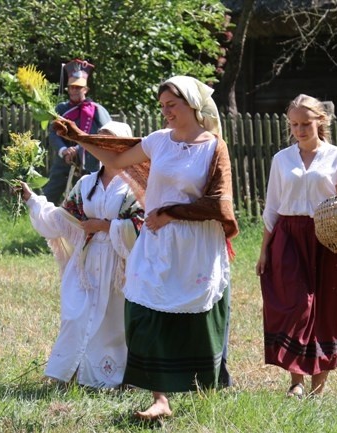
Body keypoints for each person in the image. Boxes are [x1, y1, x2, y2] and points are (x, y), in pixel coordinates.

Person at [52, 76, 238, 419]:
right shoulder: (158, 142)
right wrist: (77, 138)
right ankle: (160, 398)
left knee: (192, 314)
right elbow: (118, 160)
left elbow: (218, 202)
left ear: (193, 105)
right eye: (162, 106)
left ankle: (199, 383)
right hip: (156, 241)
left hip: (195, 243)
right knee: (143, 308)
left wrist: (173, 213)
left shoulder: (213, 147)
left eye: (173, 105)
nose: (166, 112)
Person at [255, 94, 337, 398]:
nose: (299, 129)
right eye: (294, 124)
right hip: (289, 237)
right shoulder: (281, 159)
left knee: (325, 310)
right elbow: (272, 207)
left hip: (328, 238)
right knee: (296, 306)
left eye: (305, 123)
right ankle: (296, 382)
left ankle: (317, 388)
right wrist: (264, 249)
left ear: (320, 121)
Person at [19, 121, 144, 389]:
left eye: (110, 142)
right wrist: (32, 199)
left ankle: (111, 378)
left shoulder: (136, 185)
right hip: (87, 264)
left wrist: (105, 226)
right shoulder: (87, 183)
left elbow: (143, 226)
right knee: (77, 315)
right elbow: (63, 220)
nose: (103, 148)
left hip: (119, 265)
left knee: (113, 322)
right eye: (99, 142)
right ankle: (71, 373)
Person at [42, 59, 112, 204]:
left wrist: (78, 149)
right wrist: (64, 151)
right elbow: (53, 134)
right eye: (71, 87)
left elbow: (104, 135)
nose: (74, 90)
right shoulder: (61, 109)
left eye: (78, 87)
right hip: (64, 159)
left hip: (89, 161)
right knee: (49, 198)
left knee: (87, 201)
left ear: (85, 89)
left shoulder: (97, 110)